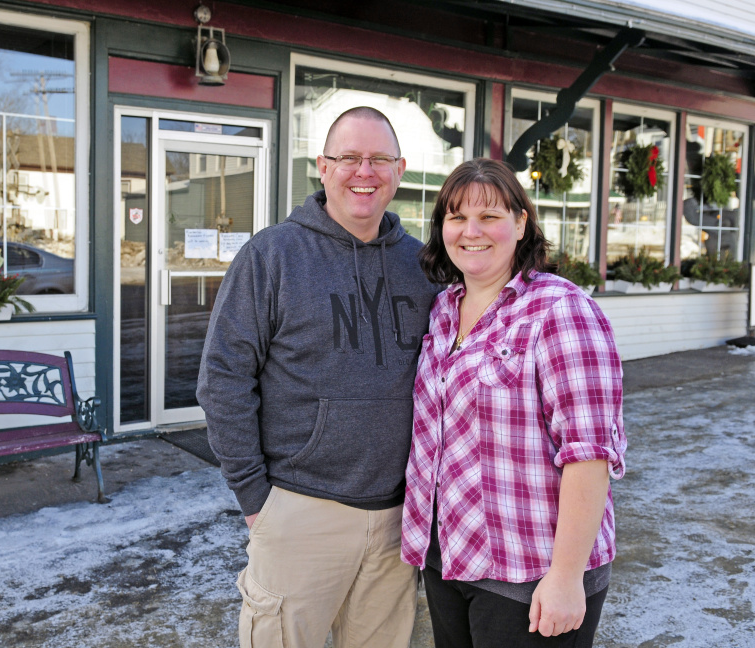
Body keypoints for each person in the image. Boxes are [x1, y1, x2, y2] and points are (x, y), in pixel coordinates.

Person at [197, 106, 441, 648]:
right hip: (300, 510)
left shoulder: (423, 266)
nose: (365, 171)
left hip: (397, 519)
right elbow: (224, 379)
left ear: (400, 170)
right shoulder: (272, 255)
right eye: (349, 157)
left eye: (379, 159)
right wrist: (256, 499)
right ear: (322, 167)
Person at [401, 158, 626, 647]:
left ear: (521, 222)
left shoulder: (561, 311)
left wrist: (565, 577)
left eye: (490, 216)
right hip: (449, 558)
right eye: (456, 217)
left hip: (530, 574)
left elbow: (588, 454)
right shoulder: (443, 309)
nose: (471, 231)